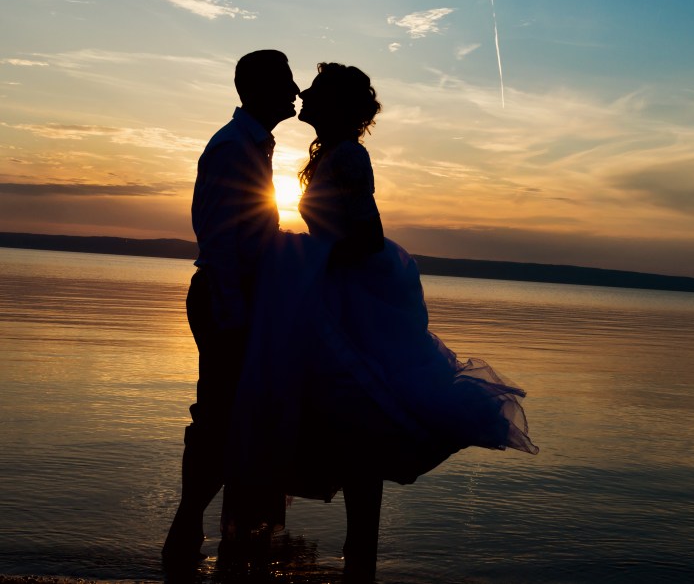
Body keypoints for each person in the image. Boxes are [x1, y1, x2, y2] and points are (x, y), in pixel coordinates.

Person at [225, 62, 538, 582]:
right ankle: (358, 559)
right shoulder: (333, 154)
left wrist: (310, 256)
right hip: (339, 294)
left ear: (340, 106)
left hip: (356, 298)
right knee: (351, 426)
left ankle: (360, 555)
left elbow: (368, 236)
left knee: (362, 424)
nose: (304, 92)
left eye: (317, 90)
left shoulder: (348, 155)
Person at [162, 50, 301, 565]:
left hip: (242, 298)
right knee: (217, 417)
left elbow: (250, 232)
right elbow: (218, 240)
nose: (297, 90)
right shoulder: (232, 148)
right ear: (258, 88)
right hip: (226, 299)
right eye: (287, 80)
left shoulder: (253, 145)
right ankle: (186, 529)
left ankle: (232, 535)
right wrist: (234, 313)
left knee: (237, 417)